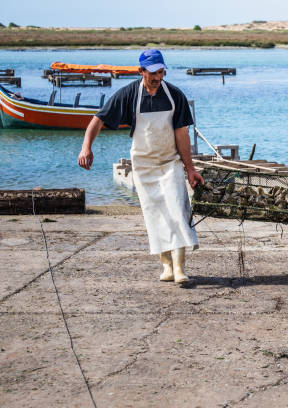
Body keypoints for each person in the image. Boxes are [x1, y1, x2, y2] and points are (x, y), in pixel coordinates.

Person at [78, 49, 204, 285]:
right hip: (144, 166)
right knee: (156, 216)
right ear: (141, 71)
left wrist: (190, 169)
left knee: (178, 210)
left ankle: (180, 268)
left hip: (170, 163)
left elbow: (182, 134)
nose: (157, 77)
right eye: (153, 72)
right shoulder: (127, 95)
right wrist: (86, 148)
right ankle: (166, 266)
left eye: (161, 72)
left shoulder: (175, 95)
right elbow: (98, 120)